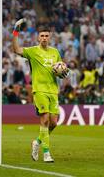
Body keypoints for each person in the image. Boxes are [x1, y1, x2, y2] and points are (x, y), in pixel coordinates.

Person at [12, 18, 67, 163]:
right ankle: (47, 153)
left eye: (46, 36)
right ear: (38, 37)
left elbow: (59, 69)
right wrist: (15, 32)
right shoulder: (32, 51)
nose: (44, 38)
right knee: (45, 120)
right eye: (42, 36)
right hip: (39, 90)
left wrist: (62, 72)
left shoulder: (55, 52)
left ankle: (36, 142)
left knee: (54, 123)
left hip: (53, 90)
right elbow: (16, 50)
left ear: (50, 37)